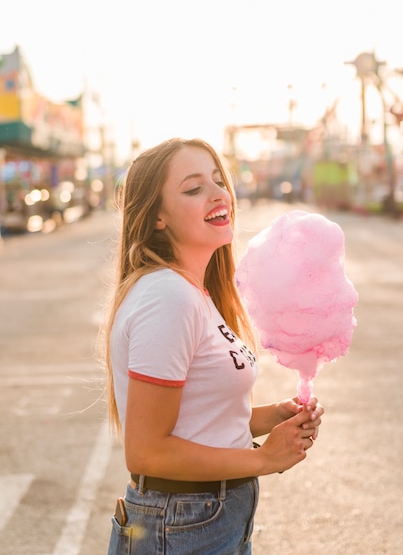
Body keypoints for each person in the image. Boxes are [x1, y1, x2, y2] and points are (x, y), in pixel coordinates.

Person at [105, 137, 324, 555]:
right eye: (193, 188)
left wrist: (270, 418)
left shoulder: (194, 292)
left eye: (218, 180)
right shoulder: (167, 297)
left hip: (208, 517)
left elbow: (197, 419)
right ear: (156, 218)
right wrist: (264, 459)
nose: (218, 193)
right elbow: (147, 452)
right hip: (183, 522)